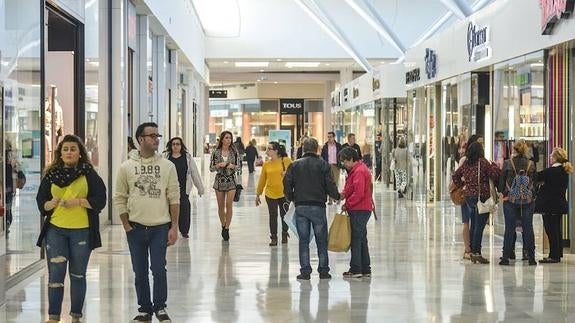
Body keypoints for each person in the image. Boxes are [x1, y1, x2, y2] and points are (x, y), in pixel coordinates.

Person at [36, 135, 106, 323]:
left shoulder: (89, 173)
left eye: (73, 149)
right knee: (56, 274)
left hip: (82, 231)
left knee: (77, 274)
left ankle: (76, 315)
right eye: (65, 149)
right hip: (56, 231)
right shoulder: (51, 174)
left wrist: (80, 202)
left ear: (80, 153)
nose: (69, 152)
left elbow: (101, 199)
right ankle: (53, 316)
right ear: (60, 153)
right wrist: (47, 205)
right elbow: (41, 200)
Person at [114, 122, 180, 323]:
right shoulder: (126, 167)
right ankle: (144, 309)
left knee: (159, 269)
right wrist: (126, 225)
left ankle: (160, 307)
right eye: (152, 136)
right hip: (135, 227)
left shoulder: (167, 166)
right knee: (139, 271)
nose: (156, 139)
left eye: (157, 135)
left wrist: (174, 226)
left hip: (160, 227)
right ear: (140, 139)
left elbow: (174, 197)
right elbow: (120, 197)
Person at [284, 137, 340, 280]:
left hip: (301, 206)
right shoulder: (324, 165)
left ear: (303, 148)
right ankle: (323, 271)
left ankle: (305, 271)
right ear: (317, 149)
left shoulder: (294, 165)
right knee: (322, 240)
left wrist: (291, 198)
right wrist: (336, 196)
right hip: (318, 206)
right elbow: (330, 184)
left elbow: (287, 183)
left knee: (303, 240)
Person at [452, 142, 500, 264]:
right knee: (479, 226)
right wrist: (494, 165)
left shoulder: (466, 163)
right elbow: (494, 175)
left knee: (474, 224)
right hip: (481, 196)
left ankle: (472, 251)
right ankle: (476, 252)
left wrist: (462, 184)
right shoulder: (483, 162)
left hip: (469, 196)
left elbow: (455, 176)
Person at [498, 140, 537, 266]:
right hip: (528, 201)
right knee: (528, 228)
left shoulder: (507, 163)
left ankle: (505, 257)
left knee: (509, 228)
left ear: (513, 150)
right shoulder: (531, 164)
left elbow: (501, 184)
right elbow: (534, 183)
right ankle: (531, 257)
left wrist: (503, 194)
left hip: (510, 200)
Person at [338, 147, 373, 278]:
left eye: (344, 161)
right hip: (362, 208)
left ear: (351, 159)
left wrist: (347, 204)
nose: (343, 164)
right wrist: (344, 194)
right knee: (362, 239)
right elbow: (352, 187)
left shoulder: (358, 171)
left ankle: (356, 269)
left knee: (356, 240)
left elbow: (358, 194)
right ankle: (365, 269)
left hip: (359, 209)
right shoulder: (357, 170)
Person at [535, 147, 573, 263]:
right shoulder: (564, 171)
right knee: (557, 229)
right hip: (559, 204)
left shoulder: (550, 171)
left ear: (556, 157)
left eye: (551, 155)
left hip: (549, 205)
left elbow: (536, 177)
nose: (550, 157)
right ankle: (557, 254)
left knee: (551, 230)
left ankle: (553, 256)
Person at [164, 137, 205, 238]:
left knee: (185, 209)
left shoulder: (187, 157)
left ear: (181, 146)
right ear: (171, 146)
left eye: (178, 144)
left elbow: (194, 173)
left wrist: (200, 189)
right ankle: (170, 229)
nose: (175, 146)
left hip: (183, 188)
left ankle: (184, 230)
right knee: (169, 209)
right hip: (170, 188)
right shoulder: (166, 157)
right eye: (173, 144)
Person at [256, 142, 292, 246]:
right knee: (273, 216)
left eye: (269, 149)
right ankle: (274, 237)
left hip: (284, 193)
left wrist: (287, 174)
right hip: (270, 194)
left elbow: (295, 173)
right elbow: (262, 179)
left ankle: (285, 233)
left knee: (284, 215)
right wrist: (258, 193)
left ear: (276, 151)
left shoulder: (286, 161)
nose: (267, 151)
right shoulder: (266, 164)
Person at [210, 131, 241, 241]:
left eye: (230, 138)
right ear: (222, 139)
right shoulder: (215, 152)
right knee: (220, 206)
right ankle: (223, 225)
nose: (229, 140)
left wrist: (229, 165)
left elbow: (239, 167)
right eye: (227, 138)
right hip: (219, 180)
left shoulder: (234, 152)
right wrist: (218, 165)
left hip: (231, 180)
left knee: (229, 205)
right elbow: (211, 168)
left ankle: (227, 228)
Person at [456, 134, 483, 260]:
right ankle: (468, 249)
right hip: (467, 195)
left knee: (475, 222)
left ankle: (472, 248)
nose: (481, 145)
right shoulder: (464, 160)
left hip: (475, 195)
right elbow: (458, 175)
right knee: (467, 221)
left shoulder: (481, 160)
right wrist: (464, 185)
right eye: (479, 142)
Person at [320, 132, 342, 204]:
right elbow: (322, 157)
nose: (329, 138)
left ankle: (336, 198)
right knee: (328, 182)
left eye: (330, 137)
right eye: (328, 137)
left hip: (336, 166)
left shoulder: (338, 146)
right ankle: (330, 199)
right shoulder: (325, 146)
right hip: (328, 165)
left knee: (335, 182)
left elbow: (341, 155)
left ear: (334, 137)